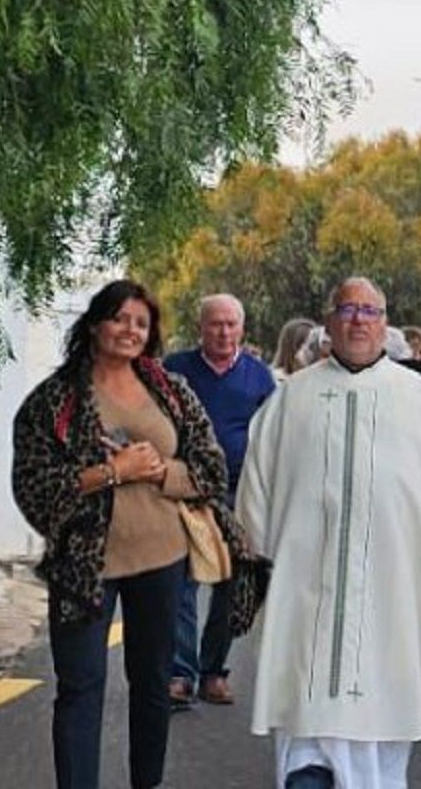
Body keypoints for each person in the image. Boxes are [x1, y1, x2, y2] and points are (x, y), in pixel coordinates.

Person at [238, 277, 421, 789]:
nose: (358, 320)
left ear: (385, 322)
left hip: (391, 592)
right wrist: (260, 552)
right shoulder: (289, 401)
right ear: (329, 321)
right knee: (306, 735)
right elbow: (256, 488)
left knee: (382, 726)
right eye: (347, 309)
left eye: (370, 311)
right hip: (308, 592)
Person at [12, 279, 243, 789]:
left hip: (162, 559)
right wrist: (110, 472)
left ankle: (148, 782)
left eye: (141, 323)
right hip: (84, 565)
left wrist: (160, 471)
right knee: (79, 688)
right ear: (95, 325)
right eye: (120, 318)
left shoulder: (170, 391)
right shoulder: (55, 400)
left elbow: (210, 468)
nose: (131, 330)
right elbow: (32, 488)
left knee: (153, 686)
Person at [163, 294, 276, 708]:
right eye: (215, 324)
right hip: (185, 489)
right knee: (182, 583)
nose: (224, 332)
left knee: (233, 582)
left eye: (231, 324)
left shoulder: (259, 378)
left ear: (241, 329)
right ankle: (180, 672)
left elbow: (270, 437)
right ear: (201, 328)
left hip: (237, 491)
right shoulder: (175, 370)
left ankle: (214, 670)